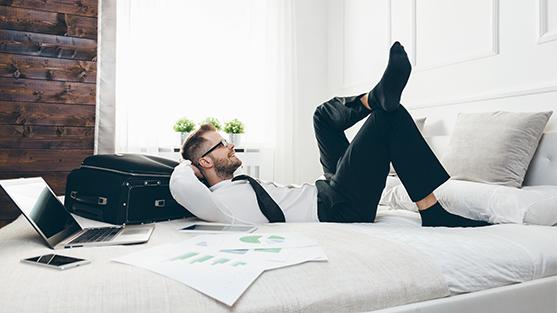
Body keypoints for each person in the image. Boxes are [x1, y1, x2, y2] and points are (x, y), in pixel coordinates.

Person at [170, 42, 490, 227]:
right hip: (340, 208)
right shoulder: (214, 205)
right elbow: (180, 183)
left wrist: (200, 165)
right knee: (386, 120)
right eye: (222, 144)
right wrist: (189, 166)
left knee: (322, 116)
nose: (231, 145)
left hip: (329, 189)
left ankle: (373, 97)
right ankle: (432, 212)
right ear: (206, 161)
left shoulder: (231, 189)